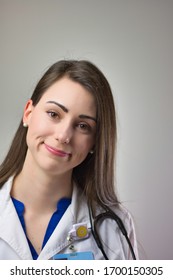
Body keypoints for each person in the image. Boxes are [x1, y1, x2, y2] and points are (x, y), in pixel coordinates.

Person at [0, 60, 138, 260]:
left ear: (94, 142)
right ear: (28, 113)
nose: (63, 135)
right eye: (53, 114)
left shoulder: (114, 227)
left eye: (83, 126)